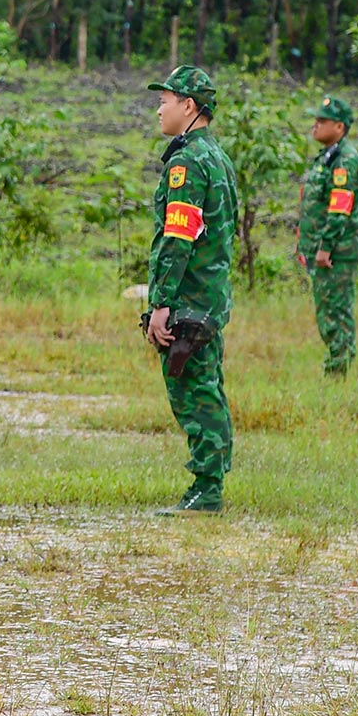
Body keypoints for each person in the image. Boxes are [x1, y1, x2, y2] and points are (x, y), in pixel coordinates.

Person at [142, 65, 238, 517]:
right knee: (207, 386)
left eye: (165, 100)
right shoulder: (214, 156)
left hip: (190, 300)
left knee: (196, 392)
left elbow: (178, 237)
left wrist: (161, 303)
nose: (158, 108)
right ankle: (210, 481)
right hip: (209, 296)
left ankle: (208, 487)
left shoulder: (187, 162)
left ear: (189, 106)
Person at [297, 95, 358, 377]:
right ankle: (337, 367)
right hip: (322, 250)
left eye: (322, 121)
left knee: (336, 313)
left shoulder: (344, 161)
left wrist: (324, 248)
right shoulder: (328, 157)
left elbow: (339, 210)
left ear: (339, 126)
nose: (315, 126)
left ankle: (338, 372)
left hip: (337, 252)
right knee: (327, 311)